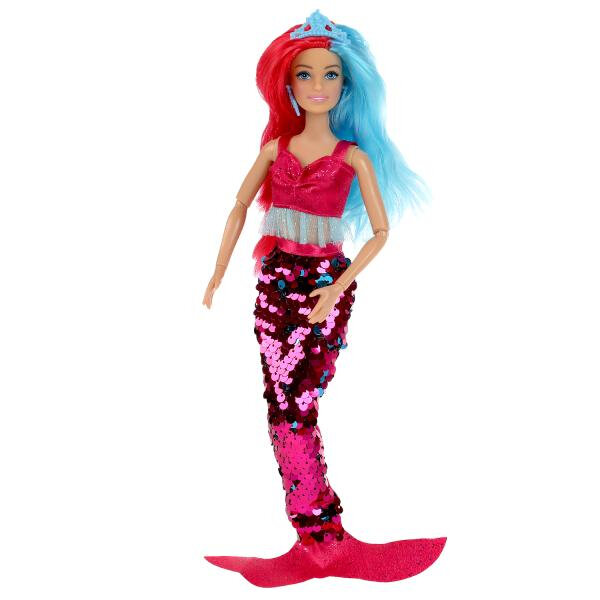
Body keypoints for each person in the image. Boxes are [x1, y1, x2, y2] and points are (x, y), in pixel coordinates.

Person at [202, 9, 446, 587]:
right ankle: (316, 537)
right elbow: (238, 207)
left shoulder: (353, 157)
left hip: (321, 289)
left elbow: (381, 233)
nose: (318, 85)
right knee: (281, 406)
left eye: (330, 74)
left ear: (346, 84)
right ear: (288, 84)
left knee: (296, 403)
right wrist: (217, 273)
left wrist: (336, 287)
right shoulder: (275, 149)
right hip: (273, 286)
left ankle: (323, 539)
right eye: (305, 74)